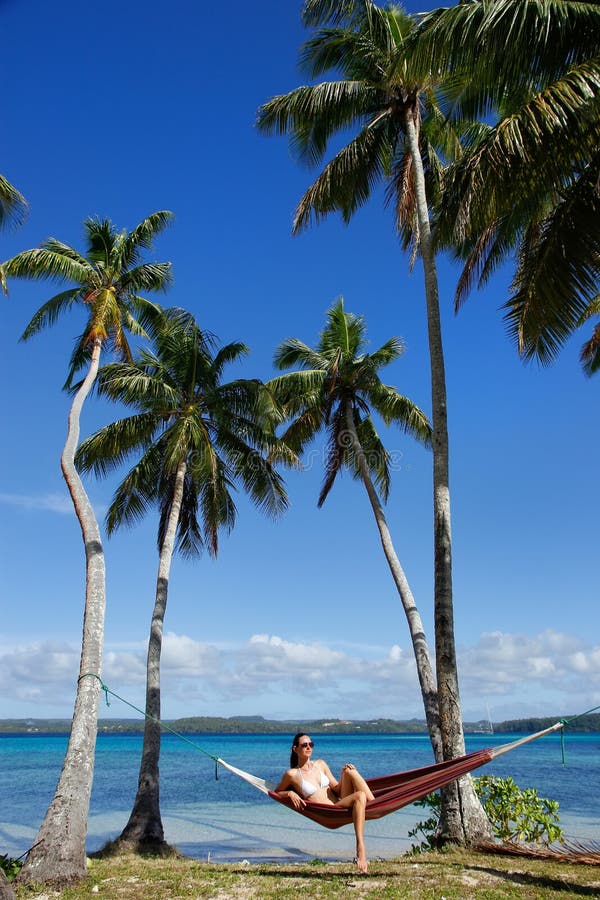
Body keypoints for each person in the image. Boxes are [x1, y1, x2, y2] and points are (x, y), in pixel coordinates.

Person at [275, 732, 375, 874]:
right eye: (304, 745)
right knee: (360, 796)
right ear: (295, 749)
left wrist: (344, 773)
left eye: (311, 744)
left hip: (340, 803)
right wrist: (289, 793)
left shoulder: (320, 764)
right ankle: (360, 847)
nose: (309, 747)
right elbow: (276, 792)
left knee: (350, 771)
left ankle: (375, 805)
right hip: (329, 812)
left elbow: (337, 789)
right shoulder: (292, 775)